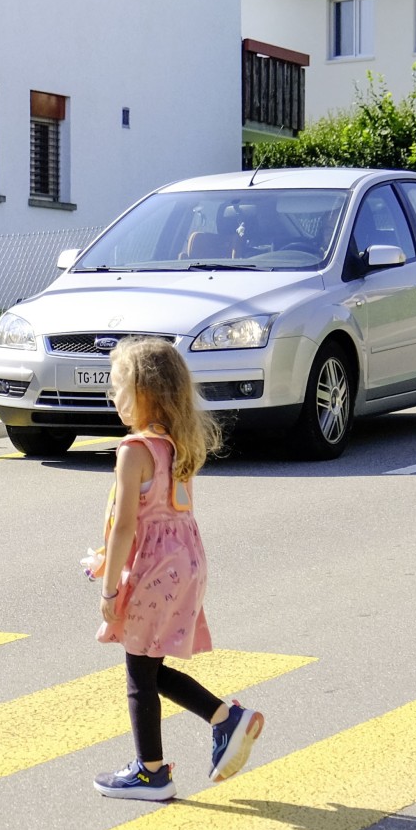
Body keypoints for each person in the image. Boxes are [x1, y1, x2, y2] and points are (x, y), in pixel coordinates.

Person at [84, 338, 266, 802]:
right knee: (150, 664)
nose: (113, 397)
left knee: (138, 671)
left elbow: (125, 527)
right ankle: (226, 719)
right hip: (186, 565)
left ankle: (151, 772)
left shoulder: (134, 450)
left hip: (153, 570)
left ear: (146, 393)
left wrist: (109, 592)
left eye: (119, 388)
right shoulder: (174, 444)